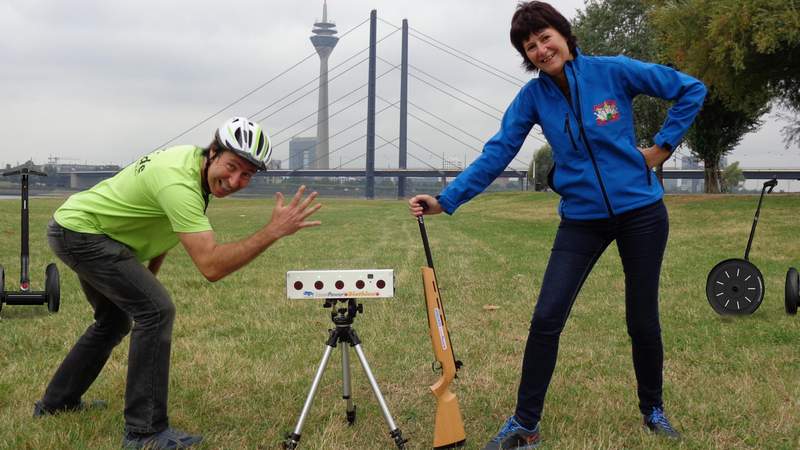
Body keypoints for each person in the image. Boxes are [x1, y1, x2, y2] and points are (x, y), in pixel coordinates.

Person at [409, 2, 706, 449]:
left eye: (545, 38)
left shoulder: (614, 71)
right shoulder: (532, 98)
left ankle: (653, 410)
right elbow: (498, 151)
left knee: (641, 317)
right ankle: (525, 424)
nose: (541, 49)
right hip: (582, 219)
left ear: (564, 35)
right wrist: (447, 199)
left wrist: (663, 146)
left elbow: (691, 89)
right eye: (530, 47)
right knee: (546, 317)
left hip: (641, 212)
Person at [34, 117, 322, 449]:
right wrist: (272, 231)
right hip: (82, 233)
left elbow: (163, 227)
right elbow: (211, 266)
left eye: (246, 174)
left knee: (114, 321)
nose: (234, 180)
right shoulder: (180, 184)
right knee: (157, 312)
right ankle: (145, 433)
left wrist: (144, 279)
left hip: (82, 228)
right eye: (231, 167)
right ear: (213, 152)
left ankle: (57, 403)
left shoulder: (192, 165)